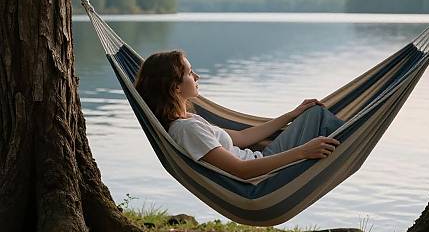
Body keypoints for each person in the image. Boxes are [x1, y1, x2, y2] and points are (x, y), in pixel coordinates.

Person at [135, 50, 343, 180]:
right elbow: (242, 170)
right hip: (262, 176)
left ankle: (349, 138)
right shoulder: (187, 130)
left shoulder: (188, 120)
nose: (196, 76)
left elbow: (243, 138)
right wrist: (303, 152)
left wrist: (292, 114)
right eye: (190, 73)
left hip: (262, 160)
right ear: (176, 88)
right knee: (326, 122)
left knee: (314, 114)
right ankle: (350, 141)